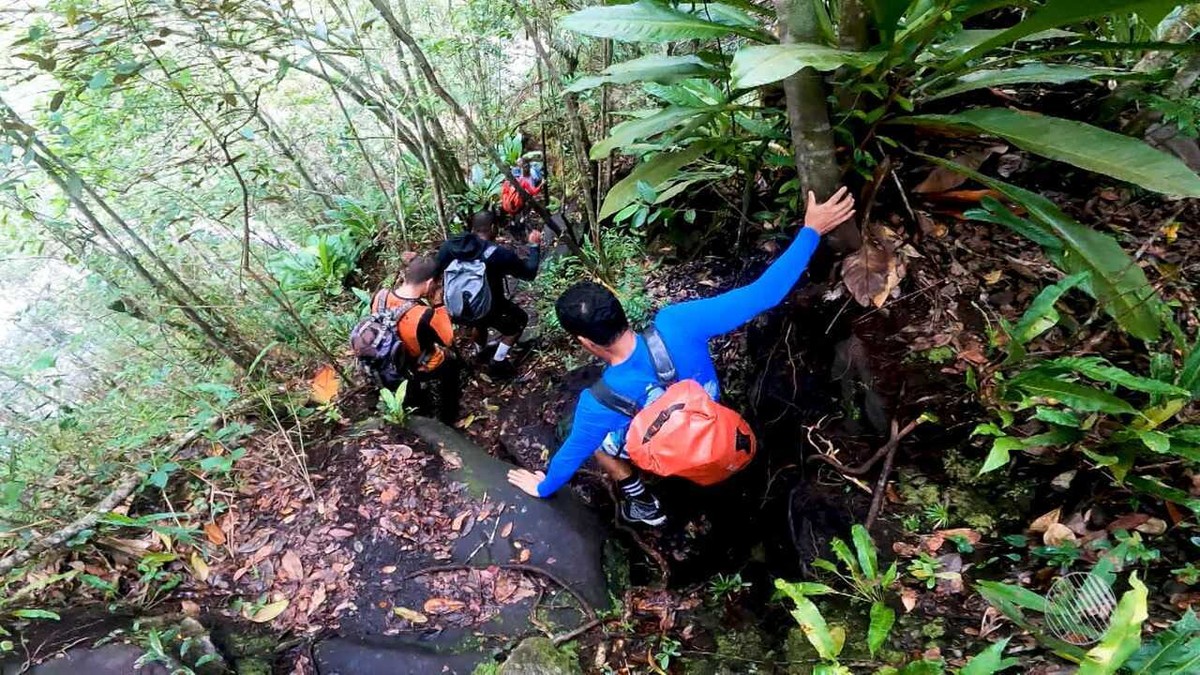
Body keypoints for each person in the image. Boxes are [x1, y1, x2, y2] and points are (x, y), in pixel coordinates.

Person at [506, 188, 857, 525]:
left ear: (585, 342)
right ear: (620, 309)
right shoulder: (678, 324)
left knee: (597, 445)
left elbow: (570, 455)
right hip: (709, 415)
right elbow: (764, 294)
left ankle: (641, 501)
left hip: (661, 442)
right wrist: (811, 230)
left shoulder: (597, 403)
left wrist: (542, 486)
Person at [437, 211, 542, 378]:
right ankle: (498, 361)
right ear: (493, 228)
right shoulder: (498, 253)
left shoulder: (449, 247)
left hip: (456, 310)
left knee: (479, 322)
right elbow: (529, 273)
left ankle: (479, 352)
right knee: (519, 320)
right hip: (488, 309)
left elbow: (434, 274)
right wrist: (534, 246)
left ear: (472, 228)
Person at [357, 256, 460, 423]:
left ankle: (418, 406)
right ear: (429, 283)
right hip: (413, 367)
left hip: (383, 361)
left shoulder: (380, 296)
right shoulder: (424, 314)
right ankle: (448, 416)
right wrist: (438, 304)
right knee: (451, 364)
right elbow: (448, 339)